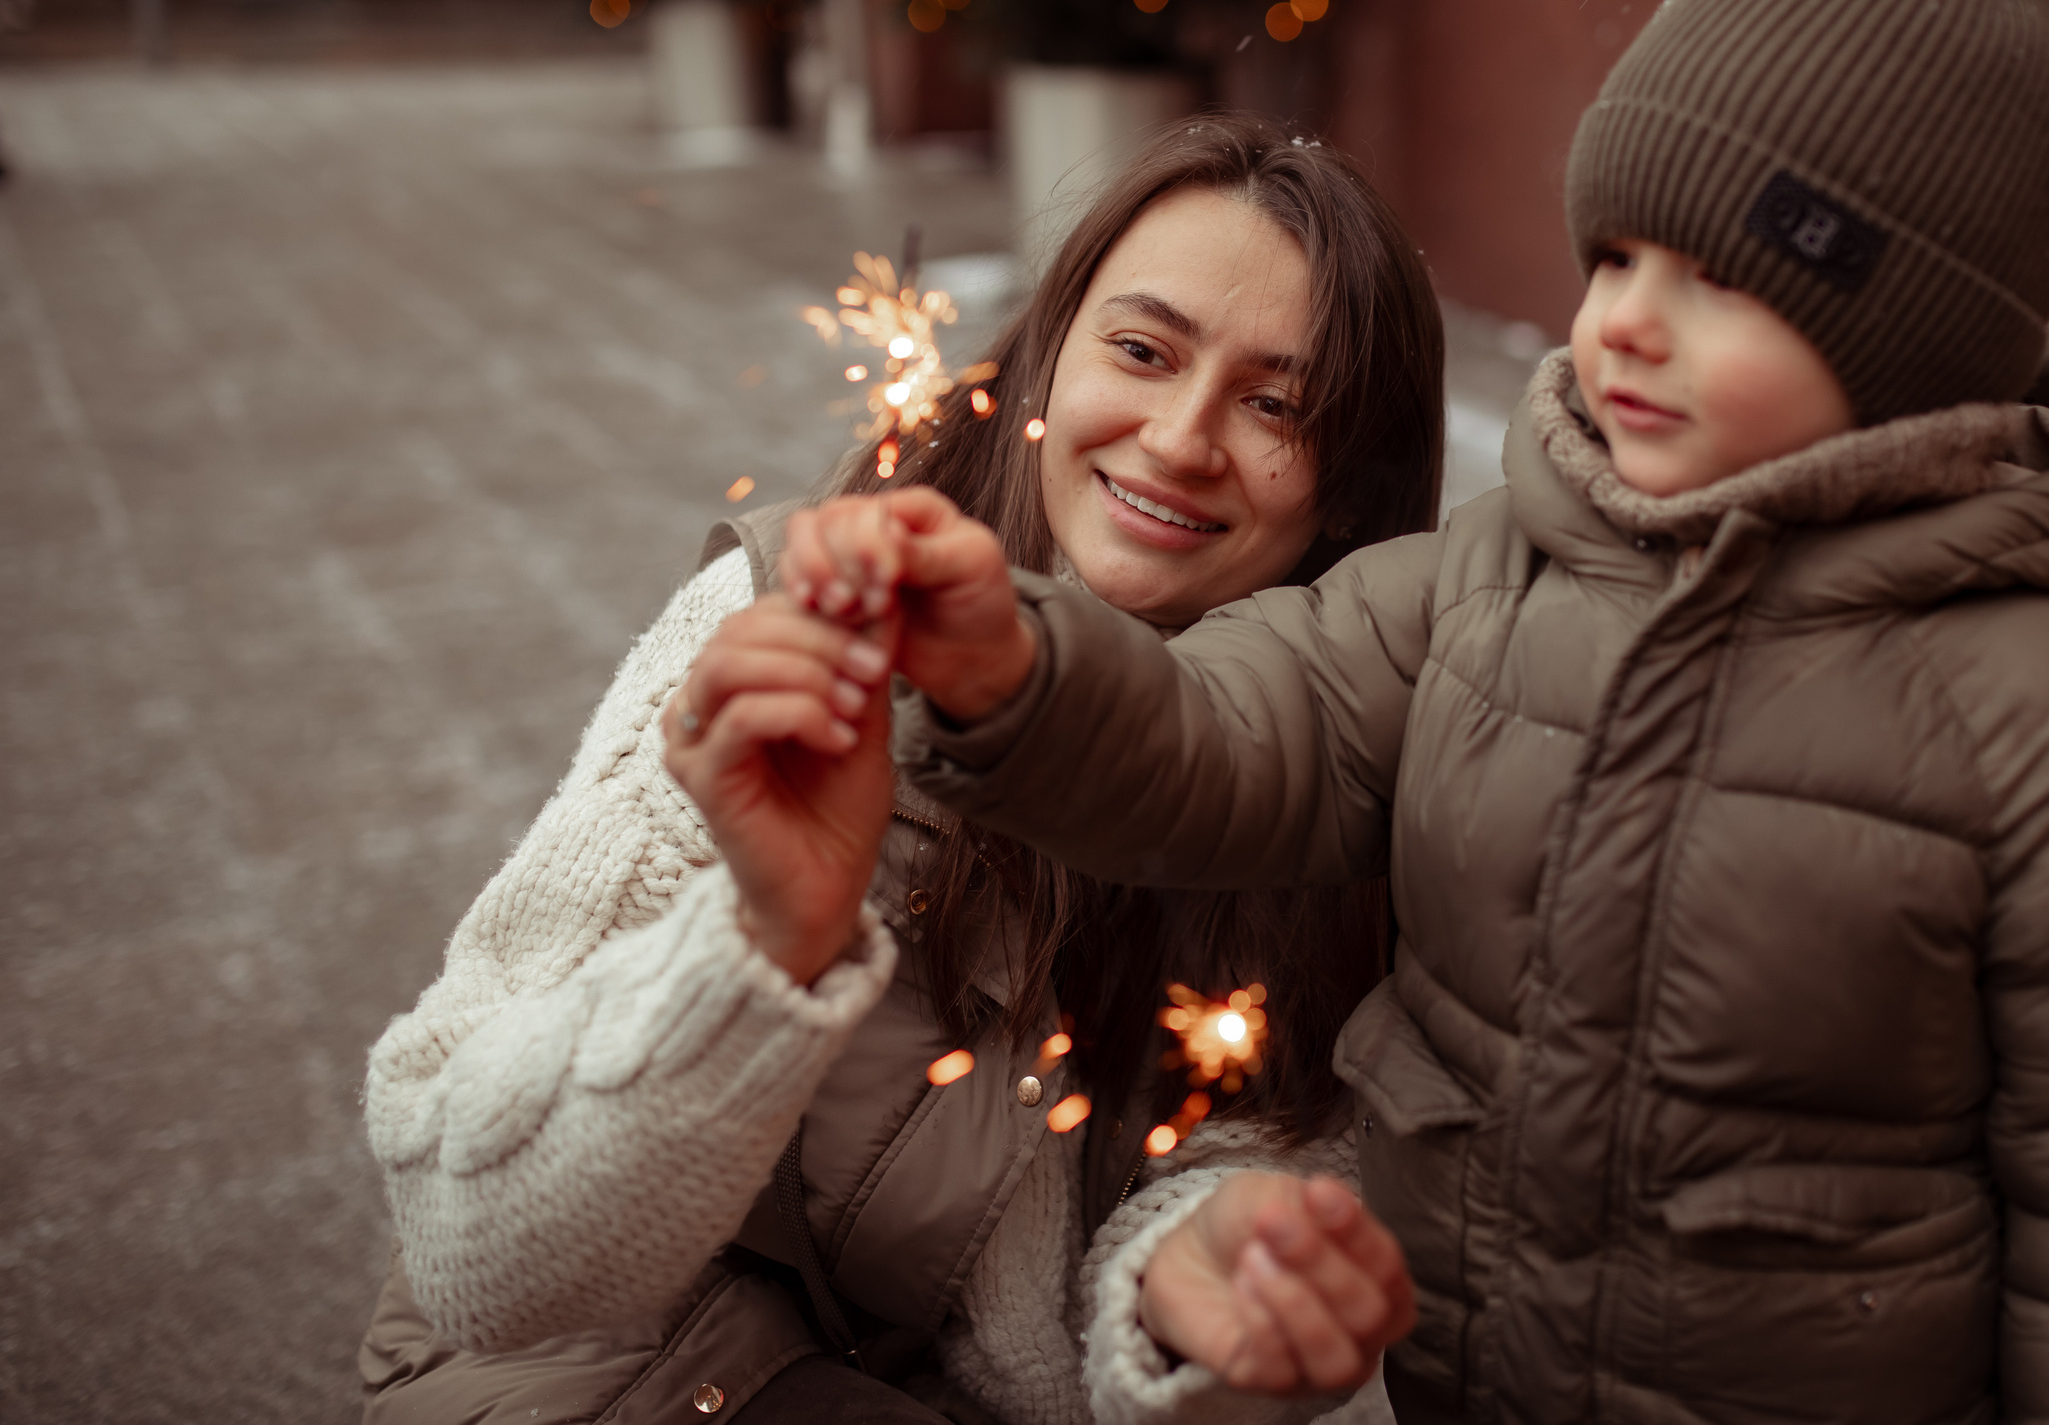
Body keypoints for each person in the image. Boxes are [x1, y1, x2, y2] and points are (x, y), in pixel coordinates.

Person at [780, 0, 2049, 1422]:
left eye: (1720, 279)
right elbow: (1234, 728)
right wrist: (1019, 667)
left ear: (1909, 347)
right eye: (1617, 253)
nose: (1623, 320)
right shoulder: (1491, 583)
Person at [359, 114, 1441, 1425]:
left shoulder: (1345, 772)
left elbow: (1245, 1149)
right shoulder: (792, 632)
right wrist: (764, 943)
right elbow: (475, 1259)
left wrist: (1190, 1274)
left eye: (1277, 404)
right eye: (1142, 351)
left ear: (1348, 489)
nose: (1178, 438)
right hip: (612, 1375)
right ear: (1047, 352)